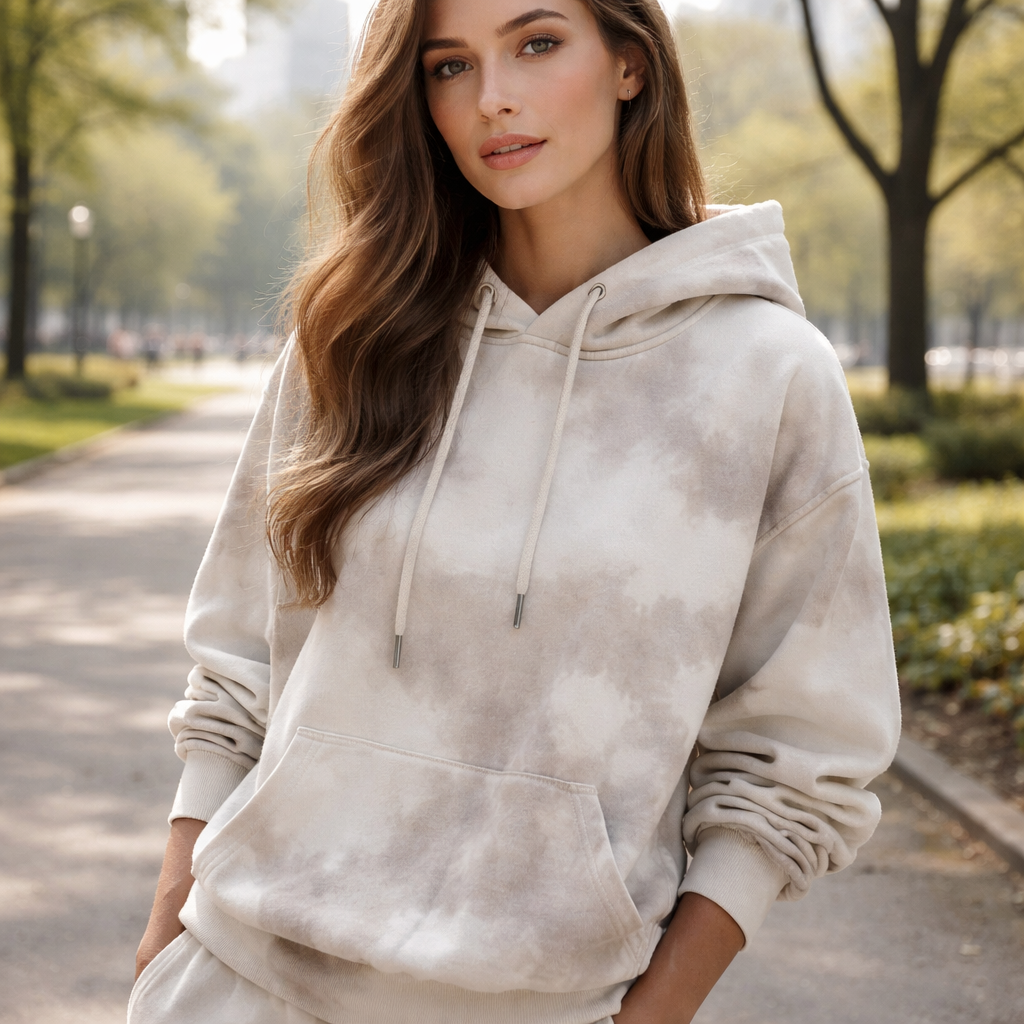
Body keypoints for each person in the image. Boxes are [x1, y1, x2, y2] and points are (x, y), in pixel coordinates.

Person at [129, 0, 901, 1021]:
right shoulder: (359, 332)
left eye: (537, 45)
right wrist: (165, 931)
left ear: (630, 64)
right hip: (242, 979)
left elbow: (799, 759)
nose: (492, 98)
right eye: (449, 66)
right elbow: (237, 662)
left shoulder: (765, 376)